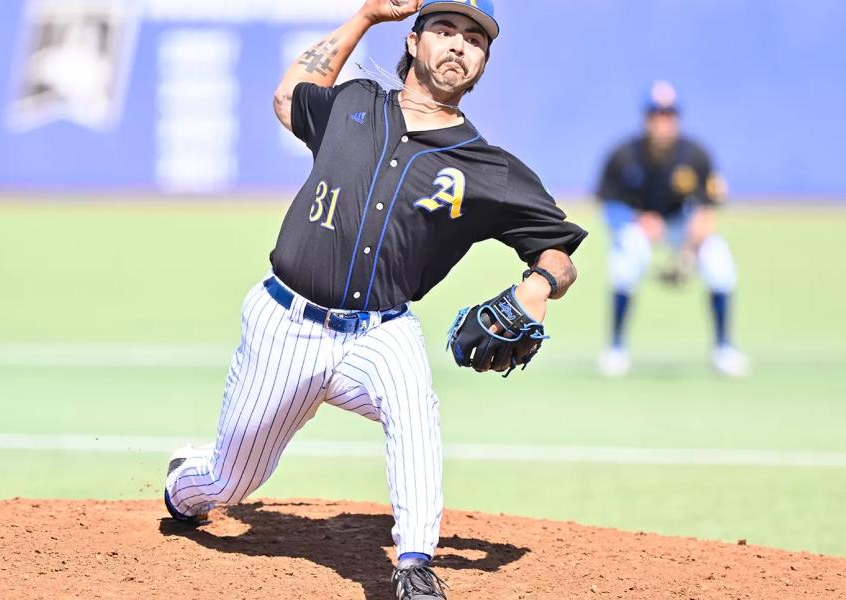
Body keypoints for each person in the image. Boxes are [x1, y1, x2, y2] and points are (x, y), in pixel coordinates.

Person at [163, 1, 587, 598]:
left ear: (485, 62)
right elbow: (288, 98)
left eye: (475, 38)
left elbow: (558, 254)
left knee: (415, 407)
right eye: (445, 30)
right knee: (230, 482)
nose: (459, 45)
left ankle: (414, 564)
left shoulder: (489, 169)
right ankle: (186, 487)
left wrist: (537, 288)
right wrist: (364, 17)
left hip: (380, 331)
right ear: (414, 42)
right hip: (286, 324)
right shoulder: (356, 103)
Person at [596, 81, 749, 377]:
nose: (663, 120)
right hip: (638, 226)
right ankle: (616, 348)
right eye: (657, 113)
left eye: (669, 113)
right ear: (646, 118)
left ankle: (724, 348)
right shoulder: (623, 155)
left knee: (719, 262)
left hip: (680, 224)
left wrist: (689, 255)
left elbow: (706, 211)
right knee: (627, 260)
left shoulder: (694, 155)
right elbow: (608, 207)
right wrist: (637, 220)